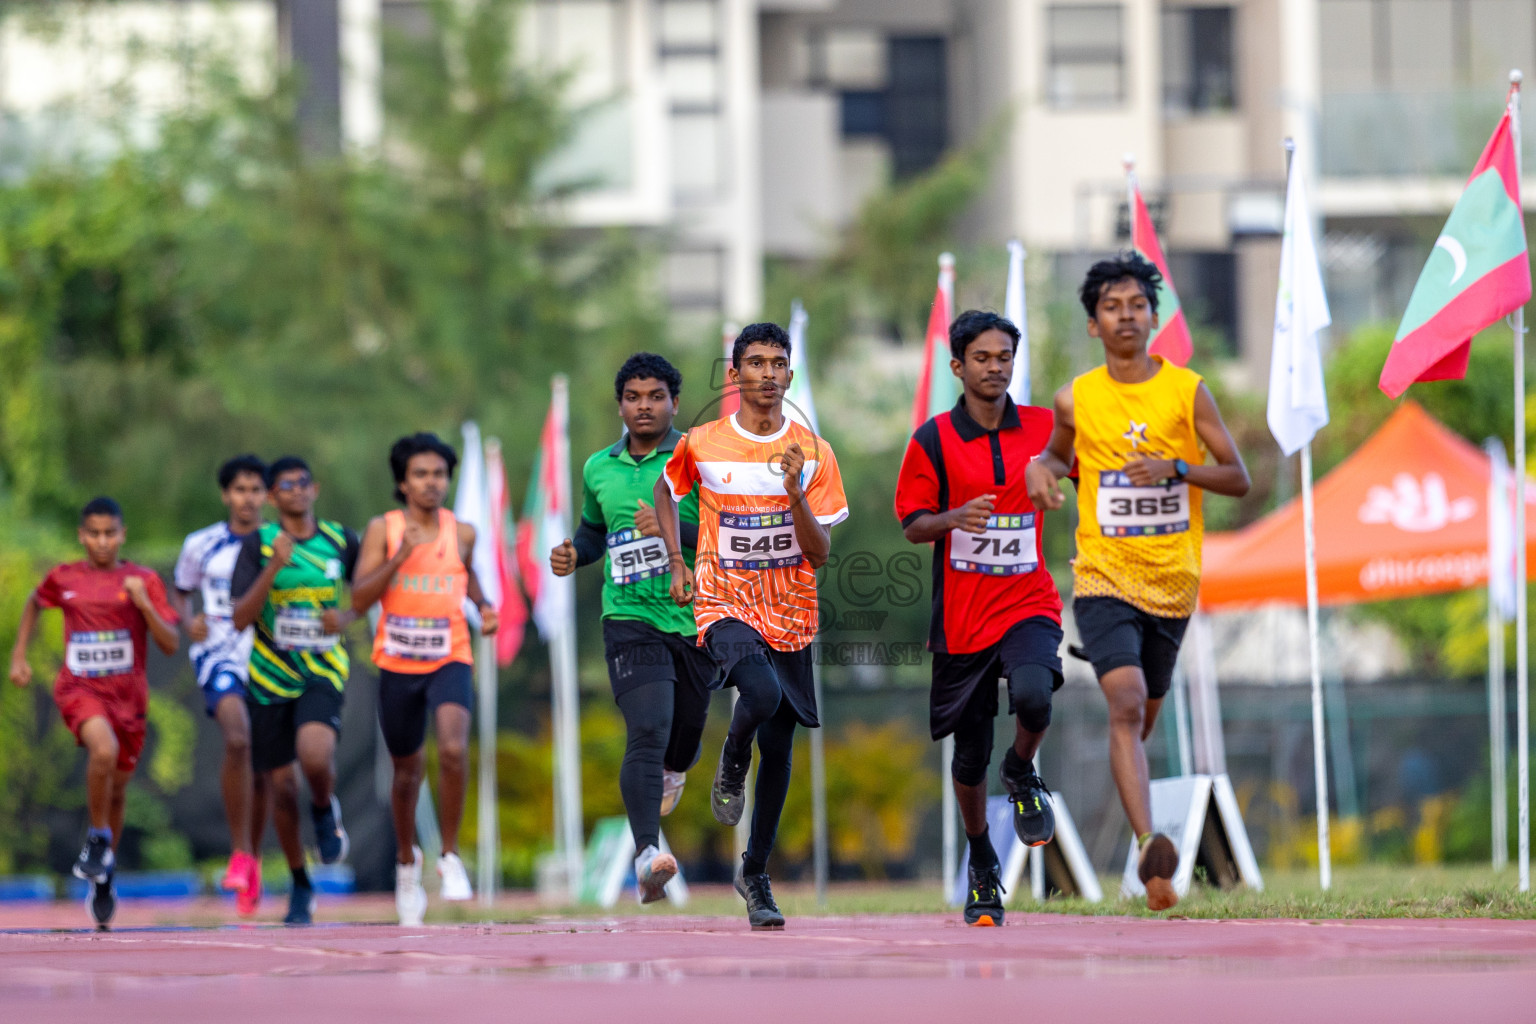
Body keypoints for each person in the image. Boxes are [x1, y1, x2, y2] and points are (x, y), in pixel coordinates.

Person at [1025, 253, 1249, 911]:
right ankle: (1151, 846)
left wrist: (1178, 467)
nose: (1126, 316)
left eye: (1136, 305)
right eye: (1111, 307)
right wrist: (1042, 471)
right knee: (1122, 702)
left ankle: (1142, 818)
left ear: (1155, 317)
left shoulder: (1187, 391)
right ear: (1094, 324)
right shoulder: (1077, 396)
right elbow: (1055, 456)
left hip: (1174, 581)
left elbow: (1237, 476)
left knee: (1145, 708)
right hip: (1103, 575)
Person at [654, 322, 848, 931]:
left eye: (779, 363)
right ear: (734, 374)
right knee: (758, 695)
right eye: (755, 362)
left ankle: (755, 874)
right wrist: (678, 560)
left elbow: (818, 554)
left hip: (790, 607)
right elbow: (666, 492)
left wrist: (793, 491)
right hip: (722, 599)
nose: (768, 373)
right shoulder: (704, 442)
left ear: (791, 375)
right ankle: (731, 759)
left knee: (783, 744)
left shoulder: (815, 452)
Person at [895, 310, 1063, 927]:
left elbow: (1081, 469)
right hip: (963, 620)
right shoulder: (933, 440)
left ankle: (1020, 771)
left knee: (1035, 698)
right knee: (968, 758)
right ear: (958, 366)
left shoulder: (1046, 428)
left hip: (1028, 603)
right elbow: (913, 523)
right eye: (984, 358)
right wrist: (952, 518)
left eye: (1005, 357)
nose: (996, 368)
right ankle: (982, 860)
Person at [549, 353, 712, 905]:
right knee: (647, 727)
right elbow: (594, 531)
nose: (644, 406)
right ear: (620, 405)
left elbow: (728, 534)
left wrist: (674, 529)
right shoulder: (599, 467)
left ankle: (675, 768)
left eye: (656, 396)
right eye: (634, 397)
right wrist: (576, 552)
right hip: (628, 617)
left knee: (684, 735)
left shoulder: (701, 458)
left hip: (695, 616)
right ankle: (647, 856)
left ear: (674, 402)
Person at [8, 497, 180, 930]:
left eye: (110, 533)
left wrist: (143, 605)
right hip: (81, 691)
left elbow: (171, 642)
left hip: (129, 700)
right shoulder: (65, 578)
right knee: (101, 751)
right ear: (82, 536)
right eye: (94, 534)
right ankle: (98, 839)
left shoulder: (142, 580)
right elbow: (34, 600)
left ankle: (104, 873)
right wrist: (19, 656)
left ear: (122, 535)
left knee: (117, 790)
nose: (102, 542)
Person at [352, 433, 498, 926]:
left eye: (439, 474)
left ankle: (451, 856)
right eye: (421, 474)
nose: (431, 483)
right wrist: (398, 558)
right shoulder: (384, 529)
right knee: (407, 772)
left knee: (454, 749)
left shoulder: (463, 531)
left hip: (449, 655)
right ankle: (405, 862)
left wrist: (482, 606)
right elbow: (357, 599)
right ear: (402, 482)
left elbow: (467, 573)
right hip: (397, 664)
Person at [230, 456, 360, 925]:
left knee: (315, 755)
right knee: (282, 788)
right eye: (285, 486)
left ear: (315, 489)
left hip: (322, 668)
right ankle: (299, 880)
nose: (297, 491)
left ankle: (325, 809)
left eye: (303, 483)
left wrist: (344, 616)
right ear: (272, 497)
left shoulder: (340, 540)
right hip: (268, 678)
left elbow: (366, 593)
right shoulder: (257, 545)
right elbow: (240, 617)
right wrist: (273, 567)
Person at [172, 454, 267, 917]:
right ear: (226, 495)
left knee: (272, 769)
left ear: (266, 495)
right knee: (236, 737)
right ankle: (241, 852)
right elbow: (181, 589)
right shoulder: (201, 545)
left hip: (272, 656)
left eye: (255, 489)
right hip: (220, 654)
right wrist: (187, 623)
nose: (247, 498)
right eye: (239, 489)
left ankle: (257, 861)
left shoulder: (281, 545)